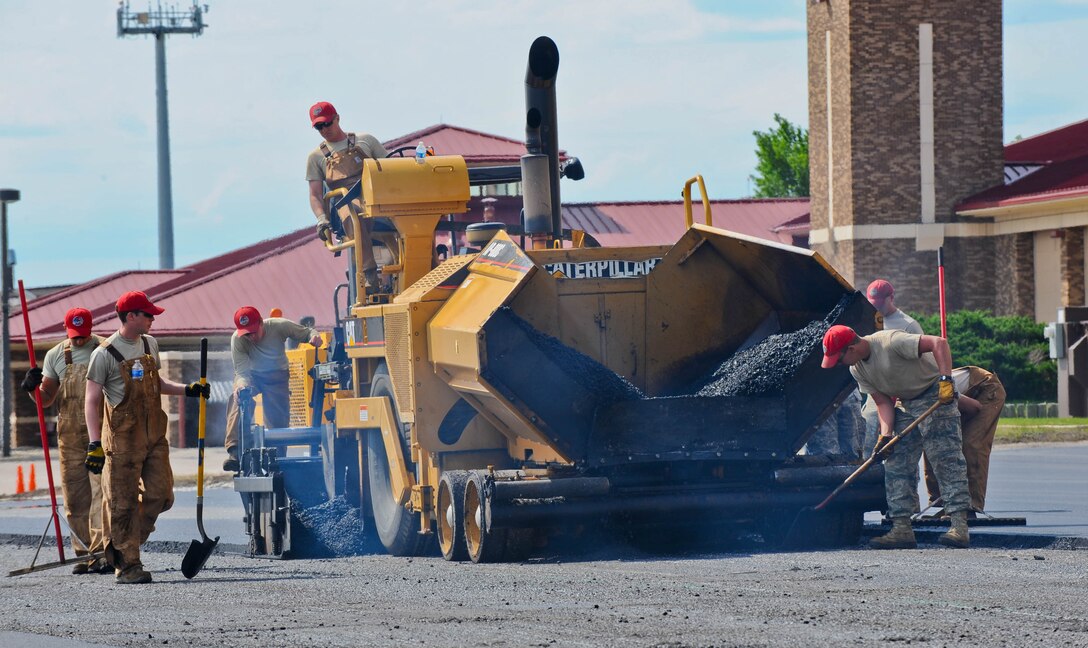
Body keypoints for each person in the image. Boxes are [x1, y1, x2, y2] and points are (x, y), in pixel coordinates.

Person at [83, 291, 208, 584]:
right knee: (122, 504)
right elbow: (91, 400)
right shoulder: (104, 354)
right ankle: (128, 566)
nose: (153, 319)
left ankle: (120, 547)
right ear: (131, 317)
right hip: (122, 442)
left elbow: (157, 384)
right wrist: (94, 444)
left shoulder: (150, 343)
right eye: (148, 314)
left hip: (154, 436)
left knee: (161, 495)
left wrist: (188, 389)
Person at [821, 324, 971, 549]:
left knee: (945, 458)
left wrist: (946, 380)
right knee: (896, 463)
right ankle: (902, 528)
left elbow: (938, 343)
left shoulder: (890, 341)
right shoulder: (857, 369)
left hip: (935, 395)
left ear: (850, 348)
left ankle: (959, 527)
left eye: (838, 358)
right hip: (905, 403)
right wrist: (886, 435)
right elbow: (883, 402)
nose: (839, 364)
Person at [20, 308, 110, 574]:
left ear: (91, 330)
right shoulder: (56, 355)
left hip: (100, 432)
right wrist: (31, 389)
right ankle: (82, 552)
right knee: (74, 496)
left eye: (83, 336)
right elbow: (46, 398)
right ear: (66, 330)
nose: (78, 341)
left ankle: (101, 553)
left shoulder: (105, 348)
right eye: (74, 336)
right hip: (69, 434)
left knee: (101, 493)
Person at [222, 306, 322, 472]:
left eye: (254, 332)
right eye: (246, 334)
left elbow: (307, 332)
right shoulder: (238, 339)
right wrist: (241, 386)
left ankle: (278, 459)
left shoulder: (279, 326)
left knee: (278, 420)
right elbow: (241, 371)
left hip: (277, 377)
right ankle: (234, 451)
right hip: (252, 376)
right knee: (238, 398)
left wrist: (314, 337)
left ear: (262, 323)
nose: (251, 337)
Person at [305, 101, 388, 295]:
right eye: (319, 127)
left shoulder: (365, 141)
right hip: (344, 203)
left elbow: (390, 171)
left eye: (327, 123)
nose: (324, 129)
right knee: (355, 214)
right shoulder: (316, 157)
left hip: (376, 197)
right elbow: (315, 195)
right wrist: (321, 220)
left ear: (337, 118)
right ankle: (369, 275)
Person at [923, 366, 1006, 515]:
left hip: (984, 390)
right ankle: (944, 502)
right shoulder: (906, 399)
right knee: (932, 446)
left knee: (971, 444)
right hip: (955, 401)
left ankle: (970, 506)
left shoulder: (931, 389)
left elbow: (975, 407)